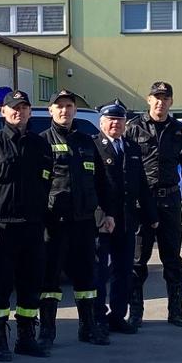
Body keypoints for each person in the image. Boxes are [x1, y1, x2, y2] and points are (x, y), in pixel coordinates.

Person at [125, 81, 182, 327]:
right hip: (142, 201)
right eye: (156, 97)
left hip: (169, 199)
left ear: (171, 102)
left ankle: (176, 310)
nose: (160, 102)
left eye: (165, 98)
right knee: (138, 259)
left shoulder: (178, 130)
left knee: (172, 258)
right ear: (149, 100)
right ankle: (135, 312)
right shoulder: (134, 128)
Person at [40, 89, 117, 348]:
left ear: (74, 110)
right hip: (55, 223)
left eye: (69, 106)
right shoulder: (43, 141)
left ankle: (88, 327)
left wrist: (107, 212)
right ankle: (47, 331)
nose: (64, 110)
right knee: (50, 280)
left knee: (86, 278)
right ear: (51, 110)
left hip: (84, 222)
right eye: (59, 106)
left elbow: (101, 182)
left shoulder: (87, 142)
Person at [0, 90, 53, 361]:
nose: (19, 112)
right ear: (3, 111)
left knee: (31, 284)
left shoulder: (40, 145)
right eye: (14, 108)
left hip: (33, 226)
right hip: (3, 227)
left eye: (24, 108)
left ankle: (26, 336)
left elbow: (47, 181)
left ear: (29, 112)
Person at [93, 99, 144, 336]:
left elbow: (141, 183)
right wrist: (102, 216)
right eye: (111, 120)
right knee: (100, 272)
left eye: (120, 120)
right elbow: (92, 187)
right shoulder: (94, 146)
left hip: (126, 220)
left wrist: (150, 215)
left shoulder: (132, 148)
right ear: (102, 122)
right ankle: (99, 318)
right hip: (103, 222)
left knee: (123, 271)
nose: (116, 124)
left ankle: (117, 316)